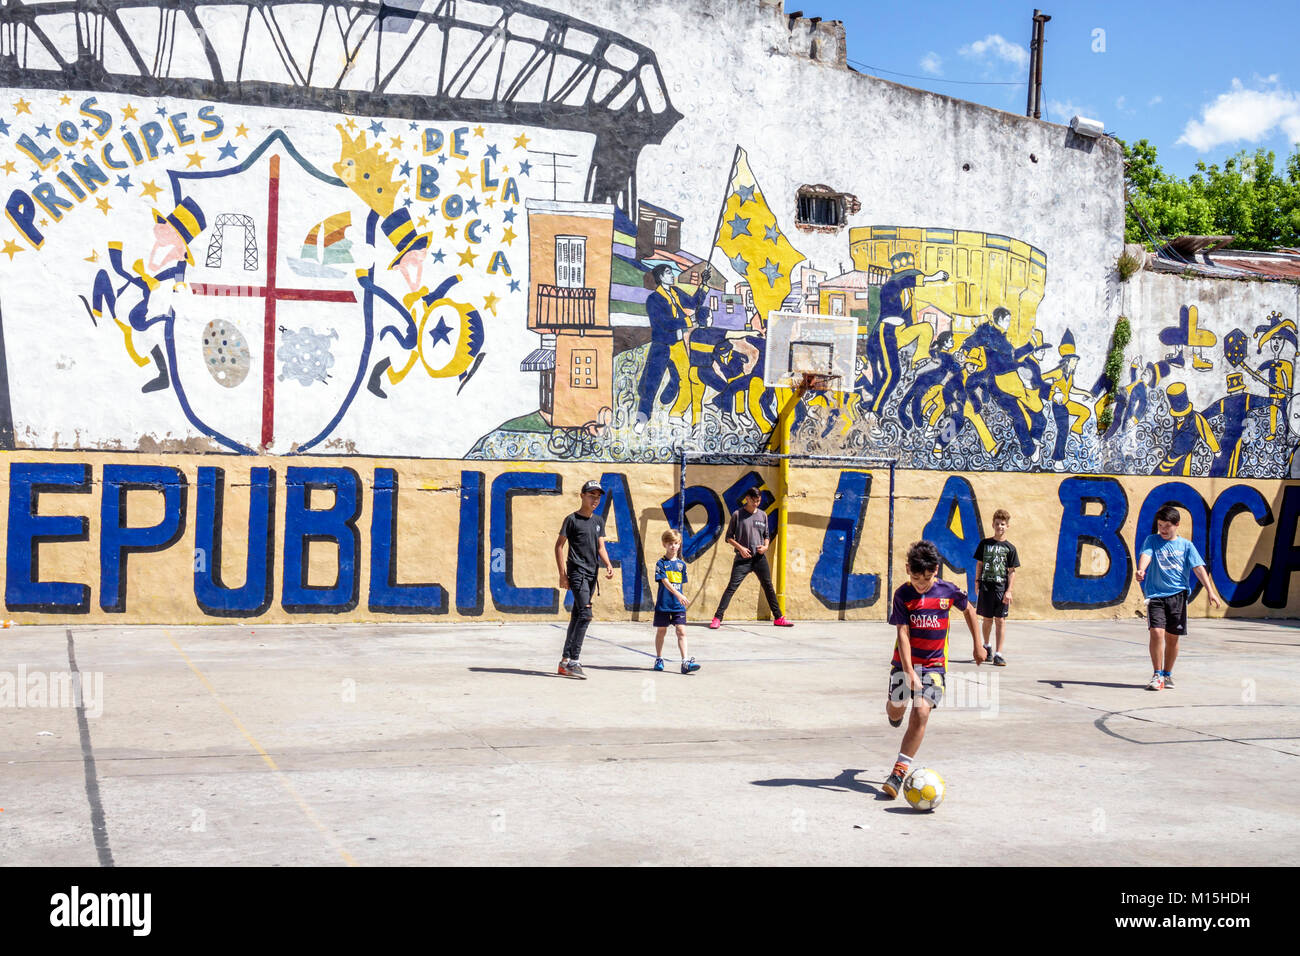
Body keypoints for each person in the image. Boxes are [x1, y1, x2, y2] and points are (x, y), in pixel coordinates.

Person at [882, 540, 985, 799]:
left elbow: (969, 610)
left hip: (934, 666)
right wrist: (908, 671)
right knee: (896, 707)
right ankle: (894, 713)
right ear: (907, 569)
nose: (920, 583)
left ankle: (898, 772)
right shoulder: (902, 595)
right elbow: (902, 633)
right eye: (916, 577)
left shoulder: (948, 591)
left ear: (935, 571)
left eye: (926, 579)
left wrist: (978, 645)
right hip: (904, 663)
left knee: (922, 711)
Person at [1136, 505, 1222, 691]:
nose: (1163, 530)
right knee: (1156, 632)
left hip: (1178, 596)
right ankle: (1157, 674)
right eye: (1160, 525)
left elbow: (1199, 568)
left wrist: (1210, 591)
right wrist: (1141, 568)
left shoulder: (1186, 546)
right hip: (1156, 595)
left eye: (1167, 526)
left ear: (1177, 525)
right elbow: (1146, 555)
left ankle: (1167, 674)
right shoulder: (1152, 540)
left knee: (1173, 638)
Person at [554, 480, 614, 679]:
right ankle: (574, 661)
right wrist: (563, 574)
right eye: (591, 495)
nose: (595, 500)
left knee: (577, 615)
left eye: (597, 497)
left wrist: (608, 564)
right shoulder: (571, 519)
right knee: (586, 615)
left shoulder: (598, 522)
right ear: (582, 496)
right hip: (577, 572)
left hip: (591, 573)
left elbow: (600, 547)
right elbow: (559, 546)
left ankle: (564, 661)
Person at [709, 487, 793, 629]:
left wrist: (765, 547)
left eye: (758, 501)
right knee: (731, 588)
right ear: (747, 498)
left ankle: (779, 618)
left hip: (759, 558)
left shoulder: (763, 515)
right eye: (753, 501)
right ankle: (717, 618)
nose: (756, 504)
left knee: (768, 587)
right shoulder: (737, 514)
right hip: (742, 559)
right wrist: (740, 548)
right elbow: (728, 537)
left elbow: (767, 535)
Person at [973, 510, 1020, 666]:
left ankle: (999, 654)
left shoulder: (1010, 548)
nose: (1000, 526)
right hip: (986, 587)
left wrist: (1009, 591)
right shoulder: (984, 544)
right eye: (997, 523)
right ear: (993, 525)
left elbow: (1012, 571)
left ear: (1007, 526)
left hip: (1001, 589)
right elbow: (979, 563)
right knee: (987, 619)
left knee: (1000, 620)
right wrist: (977, 581)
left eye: (1003, 524)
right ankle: (987, 646)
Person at [652, 530, 699, 674]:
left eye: (676, 543)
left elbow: (680, 583)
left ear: (679, 545)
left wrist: (680, 597)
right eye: (670, 543)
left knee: (681, 631)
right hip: (664, 604)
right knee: (662, 631)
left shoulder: (681, 565)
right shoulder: (661, 563)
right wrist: (678, 594)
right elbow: (665, 582)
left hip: (677, 605)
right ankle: (659, 658)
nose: (673, 546)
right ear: (664, 544)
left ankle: (685, 662)